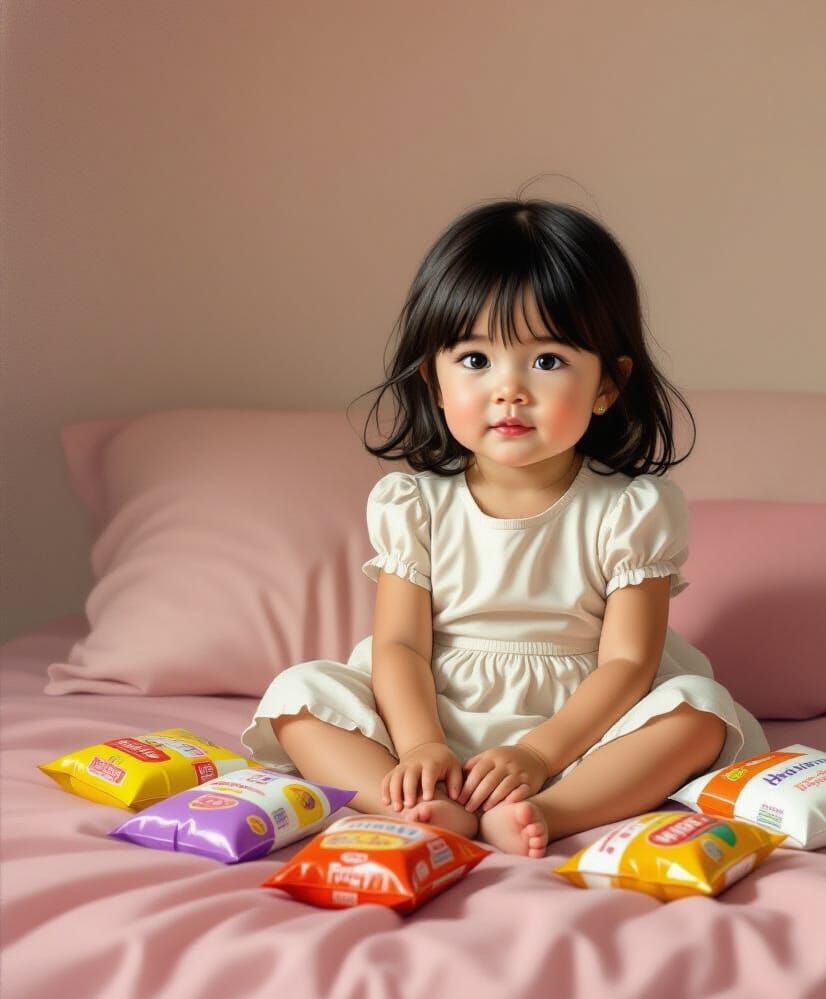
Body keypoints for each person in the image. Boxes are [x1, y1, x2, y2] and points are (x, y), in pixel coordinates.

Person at [240, 197, 770, 858]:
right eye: (474, 360)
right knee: (297, 696)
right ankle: (411, 801)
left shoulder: (630, 511)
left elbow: (630, 663)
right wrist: (422, 745)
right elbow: (399, 647)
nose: (509, 389)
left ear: (609, 384)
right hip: (431, 711)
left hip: (581, 727)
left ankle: (549, 811)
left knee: (699, 713)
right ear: (432, 377)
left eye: (547, 361)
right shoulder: (414, 505)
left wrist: (538, 755)